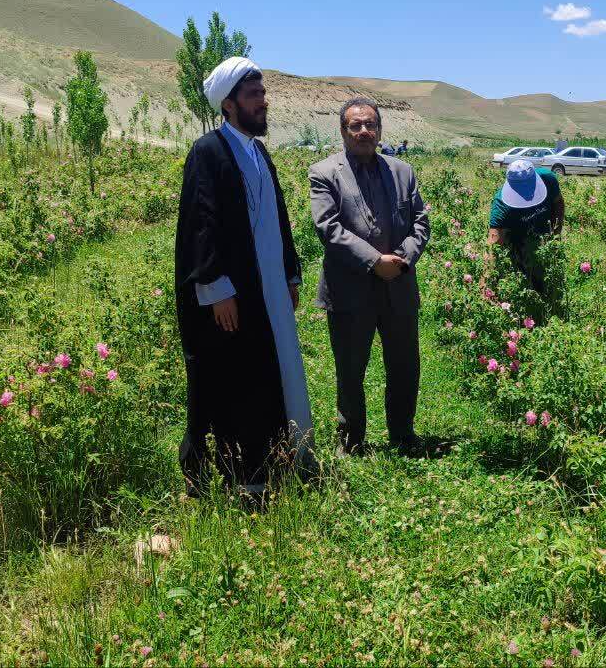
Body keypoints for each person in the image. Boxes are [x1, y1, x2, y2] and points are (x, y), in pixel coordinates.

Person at [174, 57, 315, 498]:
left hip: (268, 289)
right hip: (232, 295)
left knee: (270, 373)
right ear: (229, 104)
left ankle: (278, 459)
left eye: (263, 94)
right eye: (255, 96)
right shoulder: (209, 151)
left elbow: (279, 219)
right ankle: (238, 476)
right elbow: (202, 222)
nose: (264, 103)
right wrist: (216, 289)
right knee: (234, 379)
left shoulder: (258, 151)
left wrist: (290, 275)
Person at [310, 97, 431, 458]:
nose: (364, 131)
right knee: (350, 369)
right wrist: (375, 261)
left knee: (405, 366)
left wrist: (402, 259)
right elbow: (328, 227)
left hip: (399, 286)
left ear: (379, 130)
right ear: (343, 131)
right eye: (355, 125)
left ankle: (403, 434)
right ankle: (351, 442)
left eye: (370, 125)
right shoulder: (324, 172)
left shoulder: (402, 171)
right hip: (350, 290)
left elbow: (421, 222)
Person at [487, 159, 565, 296]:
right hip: (518, 243)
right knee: (524, 282)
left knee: (548, 283)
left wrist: (556, 233)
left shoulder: (548, 179)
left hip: (545, 238)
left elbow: (558, 203)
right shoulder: (501, 205)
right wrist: (486, 287)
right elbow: (493, 248)